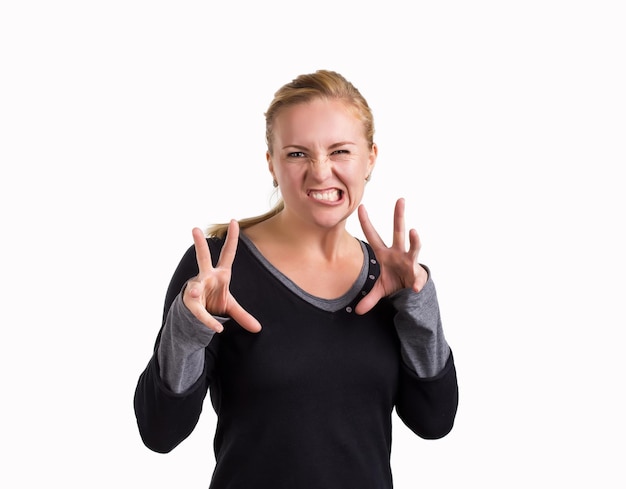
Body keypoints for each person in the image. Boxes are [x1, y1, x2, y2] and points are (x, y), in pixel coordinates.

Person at [134, 69, 458, 488]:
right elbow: (159, 432)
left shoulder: (390, 279)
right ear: (272, 163)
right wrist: (188, 329)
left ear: (370, 159)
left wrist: (417, 306)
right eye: (297, 154)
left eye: (340, 151)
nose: (321, 172)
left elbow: (434, 421)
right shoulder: (216, 272)